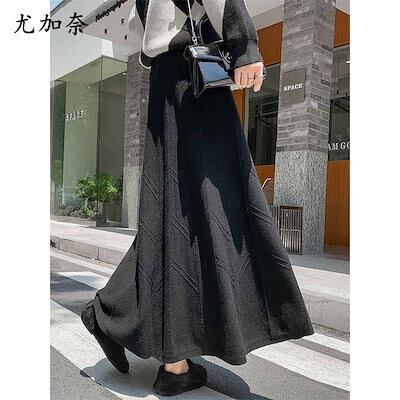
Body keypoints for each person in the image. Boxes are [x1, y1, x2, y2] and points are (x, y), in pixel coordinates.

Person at [81, 0, 314, 396]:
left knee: (176, 212)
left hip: (167, 80)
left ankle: (169, 359)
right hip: (195, 79)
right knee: (220, 204)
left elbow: (141, 27)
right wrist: (244, 46)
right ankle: (159, 351)